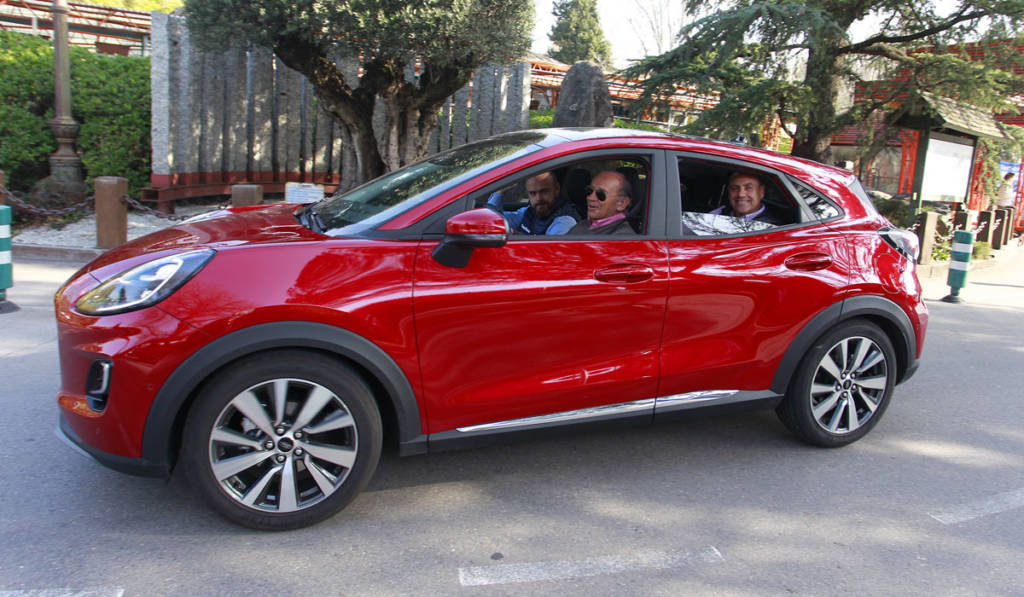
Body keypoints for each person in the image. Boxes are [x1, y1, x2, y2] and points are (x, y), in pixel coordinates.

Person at [488, 171, 580, 235]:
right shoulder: (528, 212)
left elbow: (545, 254)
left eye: (544, 192)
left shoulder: (564, 221)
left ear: (557, 189)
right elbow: (490, 221)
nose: (538, 198)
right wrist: (499, 192)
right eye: (533, 193)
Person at [569, 170, 635, 235]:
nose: (590, 198)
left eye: (601, 194)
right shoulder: (584, 224)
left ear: (621, 203)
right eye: (589, 191)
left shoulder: (622, 238)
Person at [710, 172, 786, 225]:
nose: (741, 194)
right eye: (735, 188)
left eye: (748, 188)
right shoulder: (719, 213)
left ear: (761, 192)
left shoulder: (771, 227)